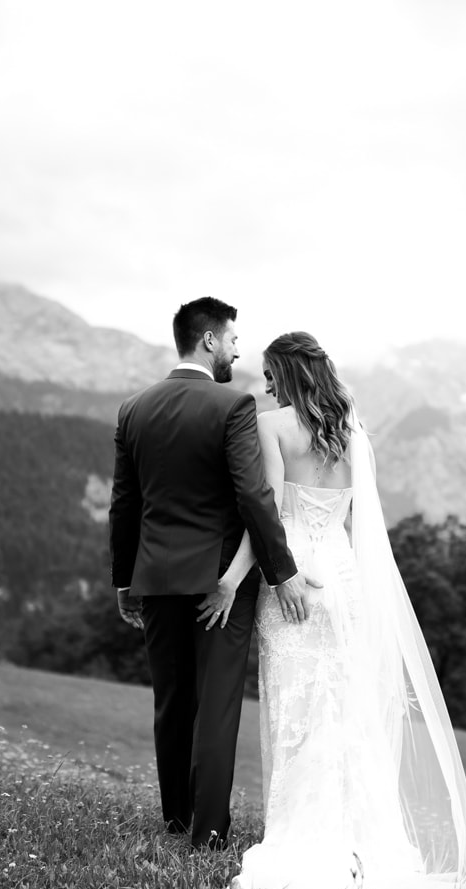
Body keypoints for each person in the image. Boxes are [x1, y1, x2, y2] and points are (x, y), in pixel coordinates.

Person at [203, 331, 466, 889]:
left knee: (298, 711)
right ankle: (361, 843)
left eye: (272, 373)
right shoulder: (351, 433)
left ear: (288, 373)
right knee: (347, 708)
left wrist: (232, 578)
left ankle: (303, 838)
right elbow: (361, 530)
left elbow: (269, 515)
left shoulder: (274, 425)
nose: (266, 383)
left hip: (296, 576)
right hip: (346, 579)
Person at [109, 297, 319, 850]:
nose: (235, 350)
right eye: (231, 340)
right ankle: (207, 833)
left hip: (154, 577)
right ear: (208, 341)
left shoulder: (133, 409)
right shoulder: (234, 407)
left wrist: (124, 582)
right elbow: (253, 496)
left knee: (172, 701)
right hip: (220, 583)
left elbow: (124, 505)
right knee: (217, 704)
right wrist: (282, 571)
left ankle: (176, 819)